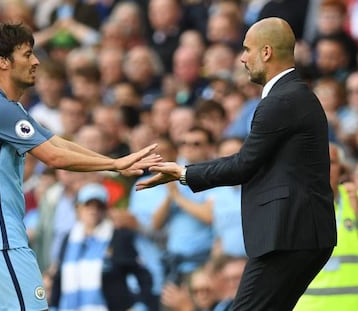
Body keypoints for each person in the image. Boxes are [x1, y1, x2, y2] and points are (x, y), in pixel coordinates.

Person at [136, 17, 337, 310]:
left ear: (266, 52)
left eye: (247, 49)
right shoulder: (294, 95)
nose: (242, 58)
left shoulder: (281, 100)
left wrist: (182, 172)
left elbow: (244, 164)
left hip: (288, 234)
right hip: (299, 233)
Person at [0, 22, 160, 311]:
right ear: (3, 62)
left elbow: (56, 141)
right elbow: (53, 157)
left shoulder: (2, 107)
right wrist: (115, 164)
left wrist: (113, 164)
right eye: (27, 54)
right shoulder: (0, 109)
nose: (36, 61)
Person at [294, 143, 358, 310]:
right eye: (315, 162)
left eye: (331, 162)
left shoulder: (354, 201)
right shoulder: (290, 207)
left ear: (342, 170)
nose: (323, 168)